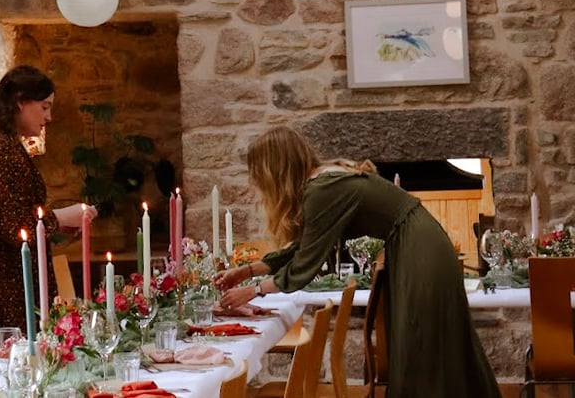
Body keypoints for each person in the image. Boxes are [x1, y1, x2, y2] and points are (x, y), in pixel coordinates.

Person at [214, 126, 500, 398]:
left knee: (422, 343)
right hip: (418, 242)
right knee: (427, 342)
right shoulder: (323, 181)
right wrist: (248, 271)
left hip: (418, 248)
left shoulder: (321, 190)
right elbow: (305, 247)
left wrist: (253, 290)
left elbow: (304, 266)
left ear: (275, 170)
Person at [0, 65, 98, 368]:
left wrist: (57, 226)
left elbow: (9, 213)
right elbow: (13, 226)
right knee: (10, 366)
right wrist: (61, 217)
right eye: (44, 107)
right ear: (20, 101)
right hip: (2, 275)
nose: (49, 117)